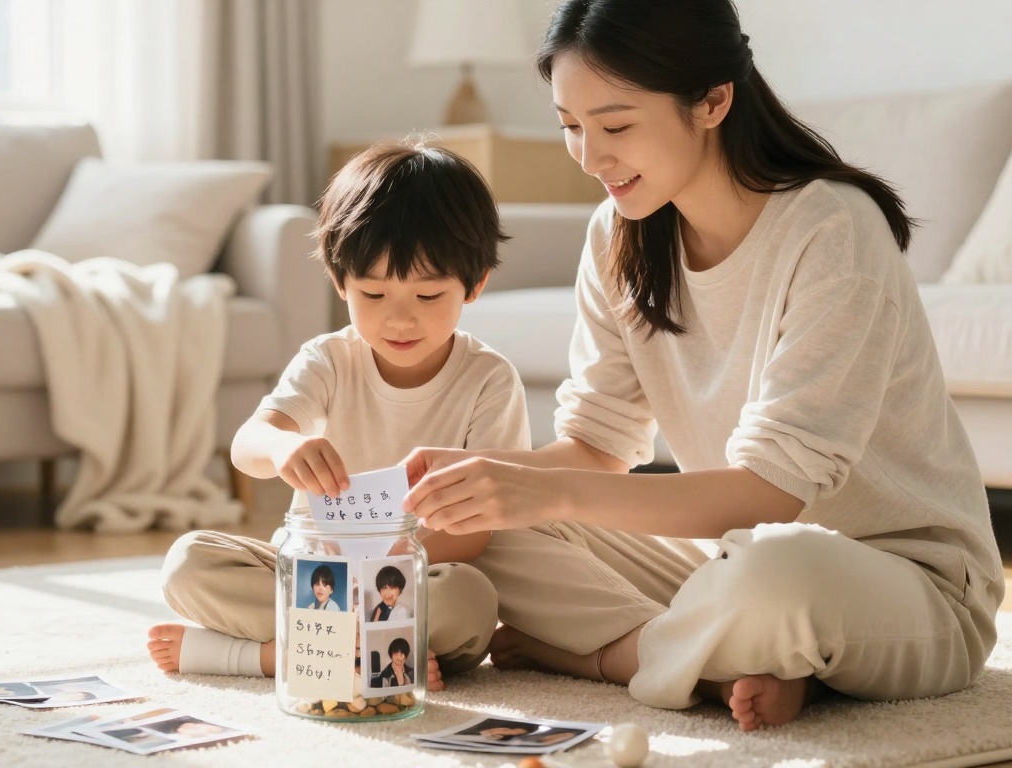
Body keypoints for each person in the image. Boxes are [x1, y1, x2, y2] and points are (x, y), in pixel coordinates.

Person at [402, 0, 1003, 733]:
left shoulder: (834, 230)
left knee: (771, 577)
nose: (591, 157)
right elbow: (596, 447)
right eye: (570, 126)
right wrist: (477, 488)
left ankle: (611, 655)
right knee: (488, 532)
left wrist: (543, 494)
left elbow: (772, 494)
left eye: (616, 125)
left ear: (714, 98)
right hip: (722, 559)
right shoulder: (617, 237)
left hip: (901, 584)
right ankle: (737, 665)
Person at [146, 140, 534, 690]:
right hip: (312, 576)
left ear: (475, 285)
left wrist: (386, 565)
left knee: (470, 601)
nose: (399, 320)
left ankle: (290, 653)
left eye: (427, 297)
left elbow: (475, 531)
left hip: (408, 578)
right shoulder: (328, 359)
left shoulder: (489, 381)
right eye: (373, 294)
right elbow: (248, 443)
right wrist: (284, 448)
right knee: (189, 562)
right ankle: (365, 653)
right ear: (340, 282)